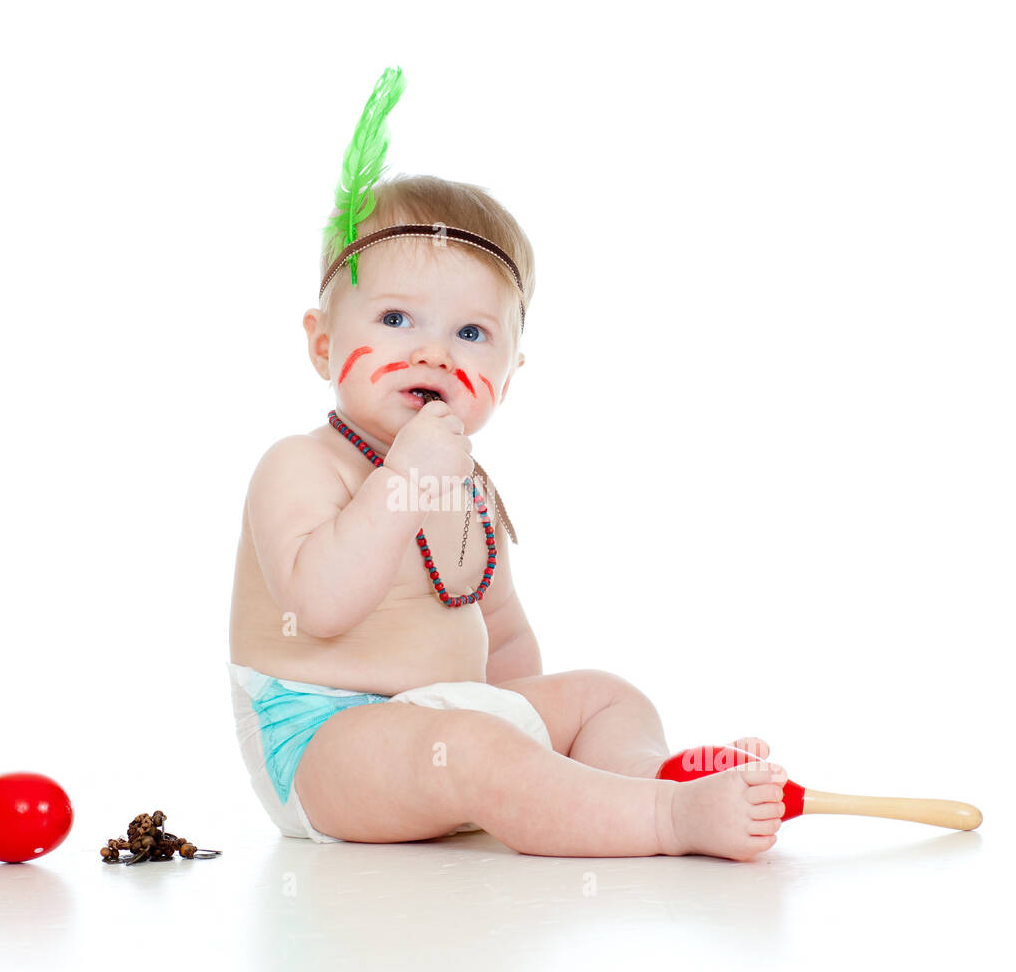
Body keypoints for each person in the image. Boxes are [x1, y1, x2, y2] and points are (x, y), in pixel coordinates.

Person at [228, 71, 787, 859]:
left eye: (471, 334)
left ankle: (643, 786)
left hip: (448, 725)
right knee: (472, 748)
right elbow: (321, 604)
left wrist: (527, 718)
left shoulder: (466, 483)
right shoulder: (300, 465)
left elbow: (501, 629)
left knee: (604, 696)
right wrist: (403, 480)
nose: (432, 351)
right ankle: (667, 823)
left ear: (512, 372)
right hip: (324, 743)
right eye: (394, 319)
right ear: (322, 341)